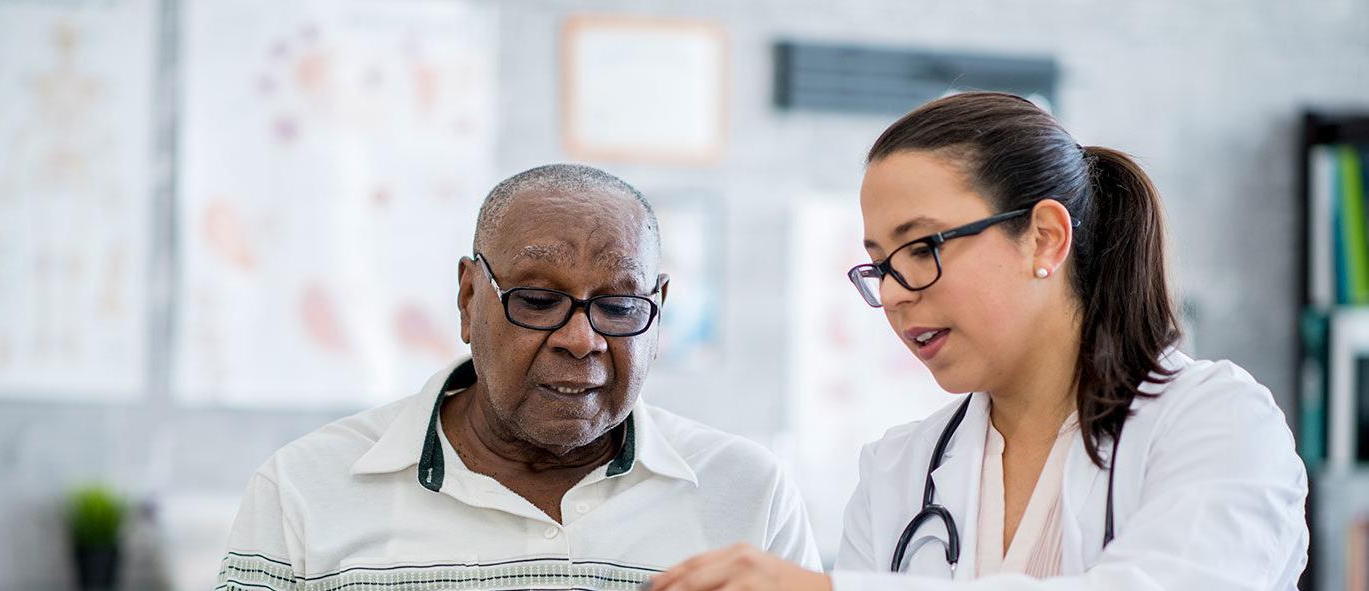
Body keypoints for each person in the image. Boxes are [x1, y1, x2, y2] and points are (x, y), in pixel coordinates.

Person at [646, 92, 1308, 590]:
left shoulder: (1215, 420)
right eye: (880, 263)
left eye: (923, 246)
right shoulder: (900, 469)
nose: (898, 292)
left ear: (1045, 237)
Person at [215, 164, 819, 591]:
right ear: (468, 298)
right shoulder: (303, 488)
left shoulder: (747, 493)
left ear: (658, 312)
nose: (581, 339)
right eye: (536, 300)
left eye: (619, 306)